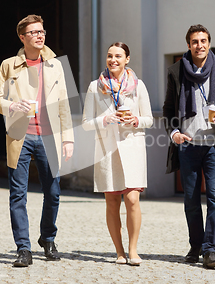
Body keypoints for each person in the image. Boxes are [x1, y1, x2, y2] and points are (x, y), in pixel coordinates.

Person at [0, 15, 74, 267]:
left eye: (42, 31)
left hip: (50, 137)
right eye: (34, 32)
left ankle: (47, 238)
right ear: (22, 37)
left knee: (54, 192)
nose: (40, 35)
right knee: (18, 195)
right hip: (20, 136)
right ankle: (23, 249)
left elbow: (65, 106)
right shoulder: (8, 65)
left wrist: (68, 139)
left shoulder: (57, 65)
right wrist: (11, 104)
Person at [162, 25, 215, 269]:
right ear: (188, 45)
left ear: (209, 43)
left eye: (203, 41)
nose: (200, 45)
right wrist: (174, 132)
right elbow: (168, 109)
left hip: (214, 146)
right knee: (191, 200)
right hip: (189, 145)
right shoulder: (176, 71)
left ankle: (211, 251)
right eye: (195, 41)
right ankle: (196, 246)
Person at [82, 42, 153, 266]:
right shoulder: (96, 86)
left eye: (118, 56)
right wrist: (103, 119)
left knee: (132, 199)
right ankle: (119, 251)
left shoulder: (138, 85)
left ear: (127, 59)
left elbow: (149, 119)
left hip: (132, 145)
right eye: (110, 56)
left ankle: (133, 250)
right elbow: (85, 123)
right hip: (107, 148)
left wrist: (135, 120)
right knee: (112, 202)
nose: (113, 60)